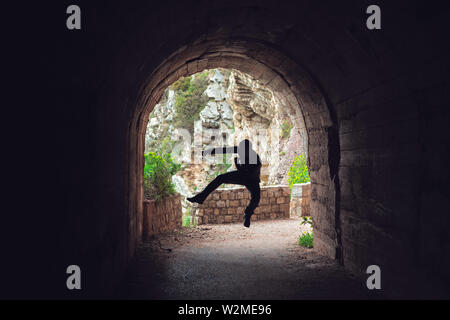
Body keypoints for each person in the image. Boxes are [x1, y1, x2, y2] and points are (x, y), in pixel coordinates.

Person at [187, 139, 261, 228]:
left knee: (256, 198)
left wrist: (240, 167)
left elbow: (253, 173)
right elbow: (223, 150)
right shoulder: (240, 149)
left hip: (252, 178)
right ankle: (200, 197)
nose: (240, 151)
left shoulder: (255, 157)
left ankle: (247, 214)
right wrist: (206, 152)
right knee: (220, 178)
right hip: (242, 174)